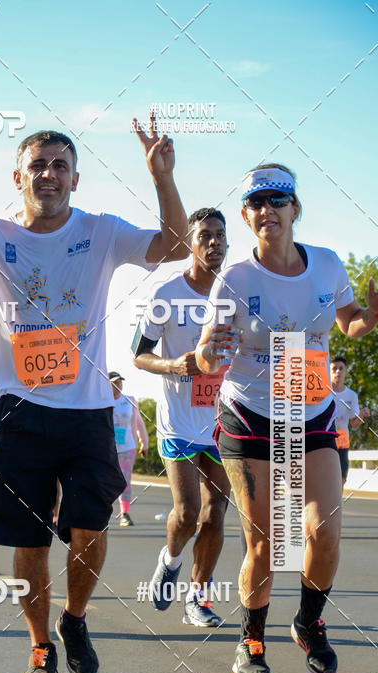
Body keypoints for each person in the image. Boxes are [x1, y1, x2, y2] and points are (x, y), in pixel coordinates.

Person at [0, 109, 189, 673]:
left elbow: (175, 245)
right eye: (38, 165)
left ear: (75, 179)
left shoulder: (101, 232)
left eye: (61, 166)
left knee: (90, 529)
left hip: (86, 411)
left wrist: (162, 178)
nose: (49, 174)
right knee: (29, 543)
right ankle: (39, 645)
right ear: (18, 178)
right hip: (18, 414)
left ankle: (74, 620)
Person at [196, 163, 378, 673]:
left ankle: (308, 622)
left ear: (295, 209)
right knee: (266, 542)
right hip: (250, 414)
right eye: (256, 203)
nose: (267, 210)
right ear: (245, 215)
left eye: (277, 200)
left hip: (313, 411)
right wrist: (210, 352)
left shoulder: (327, 264)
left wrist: (372, 317)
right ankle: (251, 639)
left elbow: (350, 325)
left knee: (322, 534)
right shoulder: (236, 277)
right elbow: (209, 357)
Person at [134, 207, 231, 626]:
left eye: (220, 235)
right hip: (179, 423)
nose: (214, 242)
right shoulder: (167, 295)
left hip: (226, 421)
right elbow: (138, 355)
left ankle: (198, 597)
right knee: (188, 512)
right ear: (191, 243)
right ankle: (170, 561)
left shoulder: (239, 293)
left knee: (215, 513)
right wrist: (175, 365)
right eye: (205, 235)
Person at [109, 372, 148, 526]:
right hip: (107, 449)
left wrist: (144, 442)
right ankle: (103, 512)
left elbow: (139, 423)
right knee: (105, 481)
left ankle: (124, 514)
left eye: (120, 382)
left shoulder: (129, 401)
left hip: (127, 447)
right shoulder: (102, 401)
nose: (118, 385)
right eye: (114, 383)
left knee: (124, 481)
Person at [330, 355, 371, 489]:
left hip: (342, 439)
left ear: (346, 371)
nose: (338, 372)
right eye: (334, 369)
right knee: (325, 477)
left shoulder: (351, 395)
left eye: (341, 368)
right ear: (329, 372)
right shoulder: (323, 392)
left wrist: (362, 415)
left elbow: (354, 424)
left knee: (341, 477)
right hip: (324, 438)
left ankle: (337, 508)